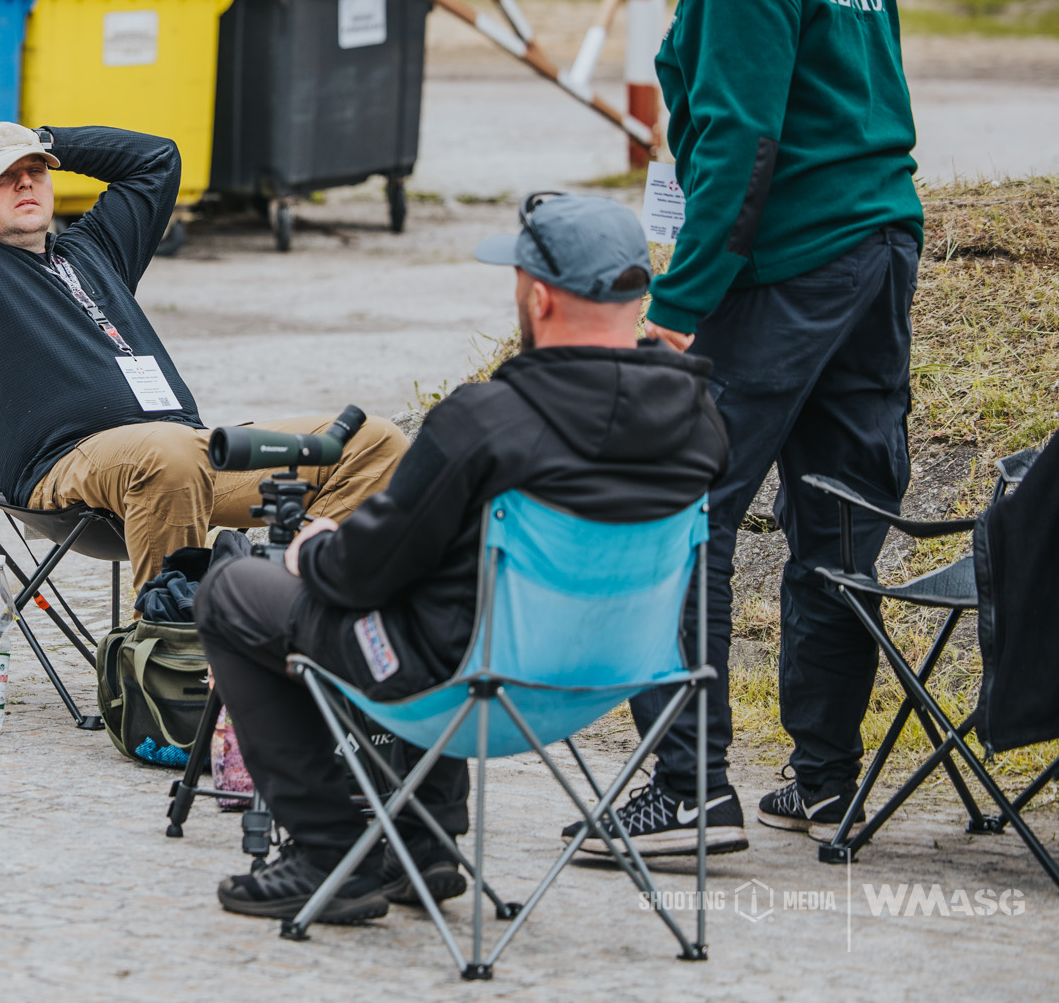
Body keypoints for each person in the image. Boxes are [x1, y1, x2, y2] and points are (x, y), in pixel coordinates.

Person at [193, 193, 730, 922]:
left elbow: (362, 571)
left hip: (461, 687)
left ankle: (328, 851)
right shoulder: (699, 422)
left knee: (230, 590)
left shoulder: (485, 420)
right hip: (605, 678)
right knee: (442, 593)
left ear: (538, 298)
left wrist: (317, 552)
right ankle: (424, 844)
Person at [589, 0, 922, 853]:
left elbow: (739, 147)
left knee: (674, 498)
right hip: (875, 256)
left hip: (787, 267)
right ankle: (823, 776)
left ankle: (684, 787)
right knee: (833, 510)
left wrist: (676, 310)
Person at [0, 122, 407, 593]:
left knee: (369, 441)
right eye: (2, 177)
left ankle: (297, 609)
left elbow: (157, 159)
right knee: (169, 451)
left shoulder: (95, 250)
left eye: (34, 172)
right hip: (68, 470)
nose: (25, 183)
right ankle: (170, 657)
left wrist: (40, 138)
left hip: (189, 454)